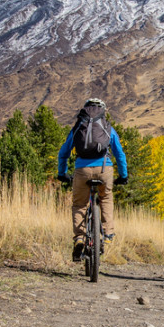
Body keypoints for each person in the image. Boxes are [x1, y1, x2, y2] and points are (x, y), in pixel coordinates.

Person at [57, 98, 129, 262]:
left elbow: (64, 152)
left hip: (82, 170)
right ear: (103, 111)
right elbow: (119, 154)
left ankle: (80, 238)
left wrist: (62, 173)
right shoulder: (108, 128)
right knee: (106, 198)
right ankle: (108, 233)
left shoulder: (78, 127)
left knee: (80, 204)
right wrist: (123, 176)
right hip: (104, 170)